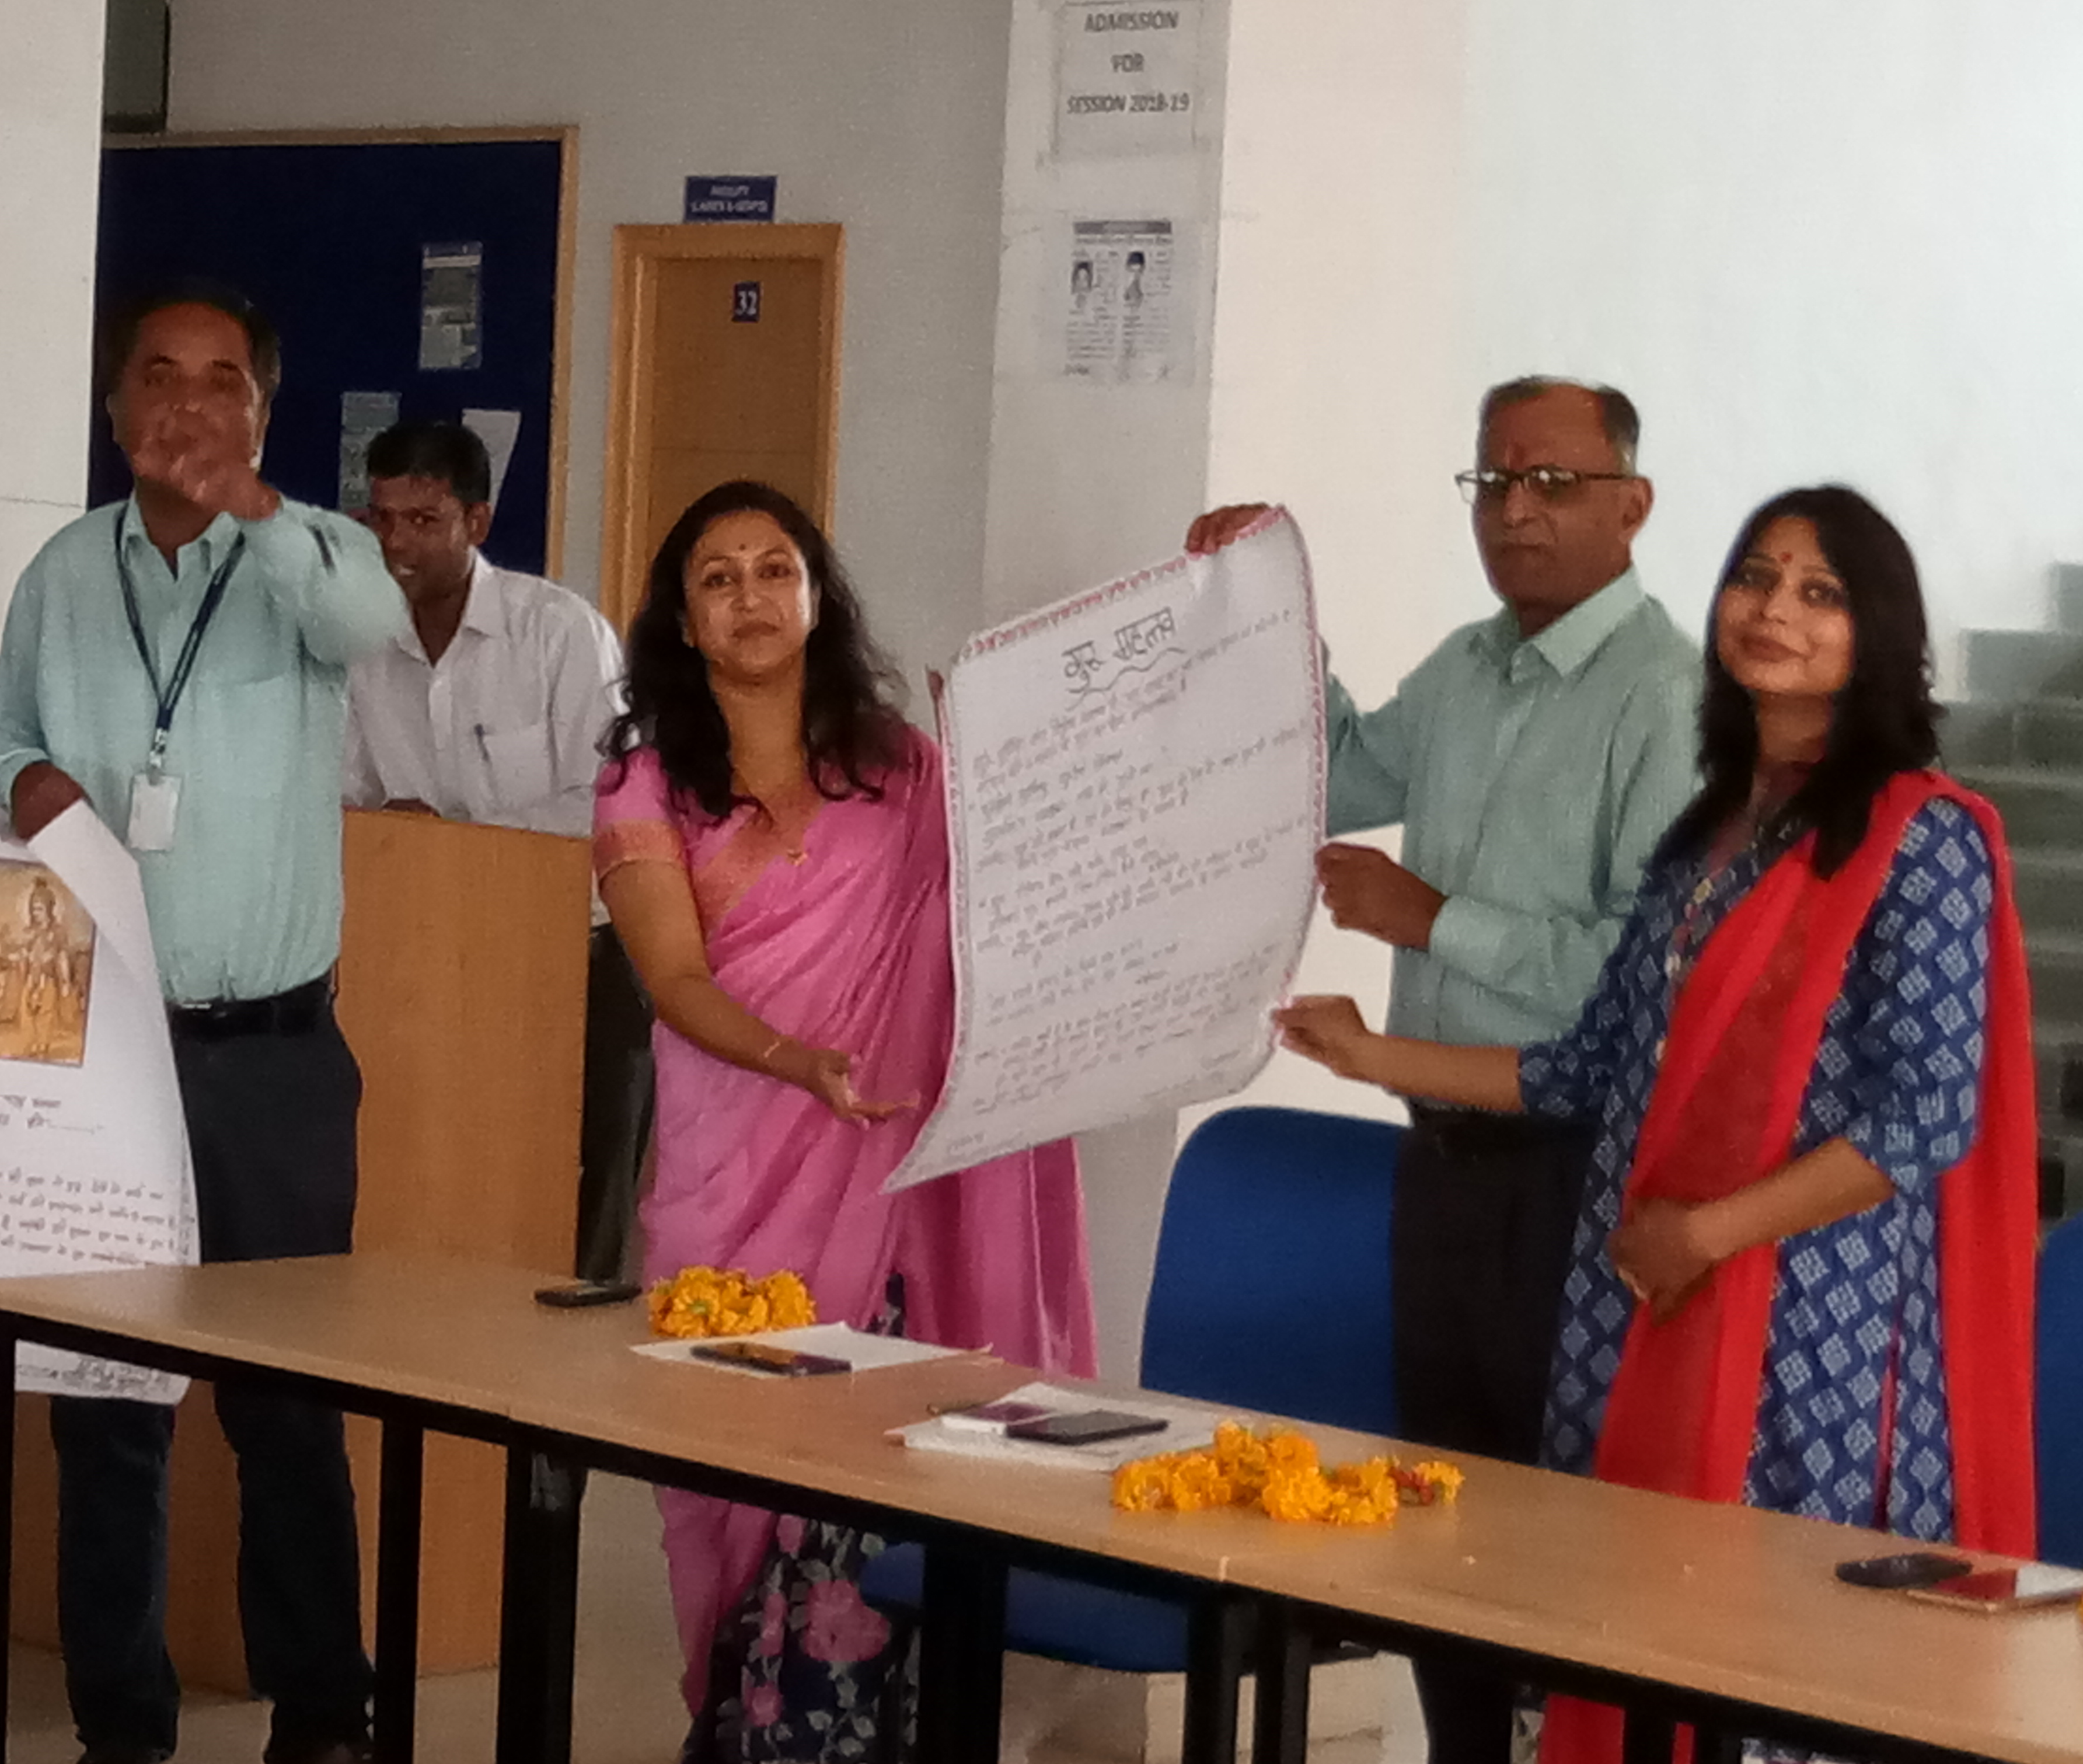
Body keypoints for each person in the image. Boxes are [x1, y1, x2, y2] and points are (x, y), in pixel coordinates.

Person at [1278, 487, 2037, 1764]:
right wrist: (1367, 1055)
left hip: (1815, 1332)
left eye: (1820, 592)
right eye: (1757, 577)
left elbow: (1922, 1116)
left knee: (1770, 1674)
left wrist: (1708, 1237)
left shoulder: (1922, 840)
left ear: (1876, 634)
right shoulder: (1705, 841)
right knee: (1627, 1647)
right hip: (1637, 1301)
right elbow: (1590, 1068)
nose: (1775, 610)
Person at [1189, 378, 1700, 1764]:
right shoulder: (1472, 667)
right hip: (1445, 1160)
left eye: (1552, 482)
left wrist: (1434, 920)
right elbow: (1341, 773)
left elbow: (1640, 974)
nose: (1516, 511)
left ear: (1631, 504)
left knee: (1554, 1534)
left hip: (1580, 1173)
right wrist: (1271, 621)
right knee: (1446, 1519)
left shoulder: (1665, 696)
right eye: (1494, 482)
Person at [0, 284, 406, 1764]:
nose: (189, 404)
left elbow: (371, 623)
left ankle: (323, 1714)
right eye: (160, 376)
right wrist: (21, 774)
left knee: (287, 1404)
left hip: (273, 1061)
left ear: (262, 415)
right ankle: (122, 1726)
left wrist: (258, 508)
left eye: (224, 382)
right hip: (102, 1057)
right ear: (116, 407)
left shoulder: (307, 560)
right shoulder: (63, 569)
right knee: (106, 1408)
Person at [592, 480, 1095, 1762]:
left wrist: (1015, 768)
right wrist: (799, 1061)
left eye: (776, 569)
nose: (751, 598)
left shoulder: (905, 772)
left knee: (883, 1507)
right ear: (684, 622)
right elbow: (673, 979)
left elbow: (1002, 920)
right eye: (718, 579)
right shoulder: (647, 786)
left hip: (894, 1200)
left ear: (818, 597)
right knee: (739, 1497)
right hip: (737, 1189)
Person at [340, 419, 647, 1281]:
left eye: (423, 520)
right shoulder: (362, 647)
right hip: (429, 964)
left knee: (578, 1213)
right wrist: (394, 830)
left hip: (577, 960)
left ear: (477, 521)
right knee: (447, 1190)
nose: (397, 544)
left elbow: (610, 803)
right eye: (381, 519)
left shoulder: (559, 634)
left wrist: (456, 844)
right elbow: (347, 797)